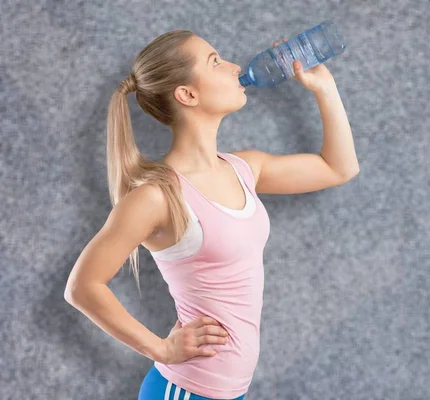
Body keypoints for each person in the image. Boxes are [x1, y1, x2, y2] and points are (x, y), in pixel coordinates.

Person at [64, 30, 359, 400]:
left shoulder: (244, 168)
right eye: (215, 62)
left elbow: (338, 168)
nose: (235, 67)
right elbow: (82, 286)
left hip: (230, 391)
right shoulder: (157, 196)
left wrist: (324, 88)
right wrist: (160, 349)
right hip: (186, 390)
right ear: (187, 94)